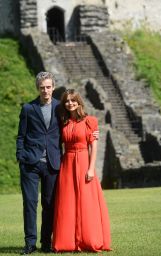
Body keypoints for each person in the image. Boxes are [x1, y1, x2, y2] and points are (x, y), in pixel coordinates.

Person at [52, 89, 111, 252]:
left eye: (73, 100)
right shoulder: (63, 122)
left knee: (87, 202)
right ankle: (67, 242)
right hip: (67, 164)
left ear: (79, 102)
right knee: (67, 202)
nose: (70, 103)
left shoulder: (90, 121)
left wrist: (92, 168)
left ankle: (89, 239)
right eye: (67, 101)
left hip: (84, 162)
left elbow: (94, 145)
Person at [16, 72, 61, 254]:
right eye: (42, 87)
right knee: (30, 203)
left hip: (52, 163)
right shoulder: (28, 108)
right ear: (38, 88)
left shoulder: (60, 108)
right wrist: (21, 156)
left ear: (53, 87)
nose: (45, 90)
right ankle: (30, 243)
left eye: (48, 87)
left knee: (49, 204)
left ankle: (46, 243)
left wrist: (92, 133)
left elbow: (75, 123)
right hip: (30, 163)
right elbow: (21, 135)